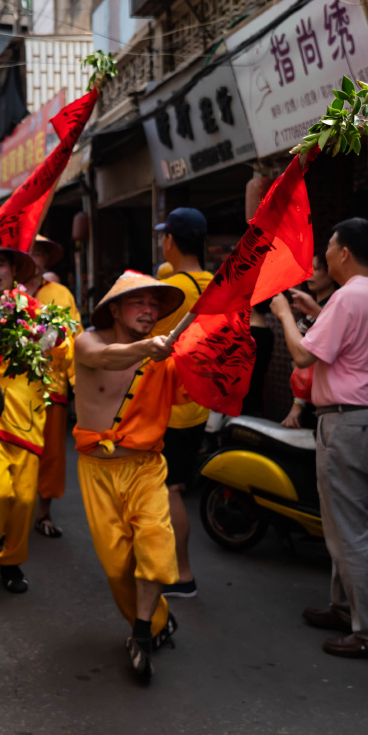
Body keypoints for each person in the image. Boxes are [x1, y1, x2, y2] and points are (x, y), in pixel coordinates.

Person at [270, 218, 368, 661]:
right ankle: (345, 609)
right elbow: (350, 345)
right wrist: (315, 311)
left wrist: (285, 315)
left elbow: (303, 353)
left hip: (348, 423)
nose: (324, 253)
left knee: (348, 533)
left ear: (344, 253)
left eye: (328, 245)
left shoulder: (346, 297)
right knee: (355, 525)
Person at [73, 271, 187, 681]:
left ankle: (141, 635)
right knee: (117, 566)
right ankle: (158, 620)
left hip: (145, 466)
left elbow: (190, 393)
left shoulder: (165, 354)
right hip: (97, 469)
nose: (149, 310)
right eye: (139, 302)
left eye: (154, 305)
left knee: (155, 545)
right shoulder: (88, 342)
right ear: (116, 310)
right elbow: (106, 358)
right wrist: (146, 349)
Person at [0, 246, 60, 592]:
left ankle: (12, 561)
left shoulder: (35, 311)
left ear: (14, 271)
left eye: (0, 263)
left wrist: (50, 339)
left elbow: (62, 347)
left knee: (24, 500)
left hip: (26, 417)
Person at [151, 208, 213, 599]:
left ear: (170, 240)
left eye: (164, 236)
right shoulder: (213, 282)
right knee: (173, 486)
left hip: (169, 403)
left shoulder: (172, 290)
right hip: (198, 402)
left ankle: (181, 574)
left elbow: (149, 341)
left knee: (169, 489)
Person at [21, 235, 82, 539]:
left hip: (52, 385)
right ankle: (11, 513)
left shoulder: (60, 293)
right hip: (14, 387)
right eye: (27, 252)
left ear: (45, 259)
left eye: (38, 253)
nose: (33, 258)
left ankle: (43, 512)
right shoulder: (9, 293)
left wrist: (78, 386)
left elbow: (75, 339)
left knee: (51, 455)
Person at [280, 252, 339, 429]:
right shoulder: (313, 305)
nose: (311, 274)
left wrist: (298, 404)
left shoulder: (333, 306)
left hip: (316, 396)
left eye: (317, 269)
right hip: (305, 393)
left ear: (331, 272)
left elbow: (312, 360)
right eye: (309, 269)